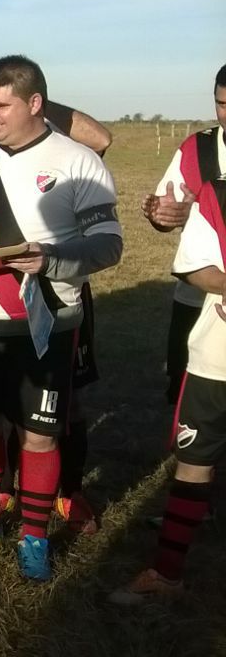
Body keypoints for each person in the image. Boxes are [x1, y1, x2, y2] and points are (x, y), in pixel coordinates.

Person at [0, 55, 122, 581]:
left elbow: (109, 246)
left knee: (39, 434)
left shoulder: (79, 162)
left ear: (35, 103)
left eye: (1, 105)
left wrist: (52, 259)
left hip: (47, 324)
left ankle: (34, 535)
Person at [108, 164, 226, 605]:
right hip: (216, 357)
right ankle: (168, 573)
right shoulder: (217, 194)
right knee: (194, 462)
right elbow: (194, 267)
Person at [140, 64, 226, 405]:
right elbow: (168, 213)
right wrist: (162, 216)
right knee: (188, 398)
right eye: (221, 104)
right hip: (197, 297)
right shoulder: (196, 149)